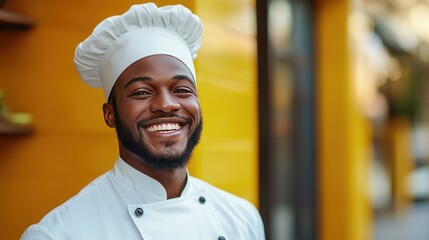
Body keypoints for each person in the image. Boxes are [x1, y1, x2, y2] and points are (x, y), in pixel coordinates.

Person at [20, 2, 265, 240]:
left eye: (182, 89)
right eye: (142, 92)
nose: (167, 104)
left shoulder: (242, 219)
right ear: (110, 114)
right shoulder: (58, 234)